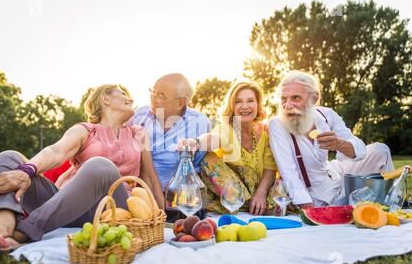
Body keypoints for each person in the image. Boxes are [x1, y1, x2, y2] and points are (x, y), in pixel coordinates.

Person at [0, 84, 164, 264]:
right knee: (7, 158)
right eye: (124, 94)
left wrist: (160, 215)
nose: (130, 99)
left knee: (101, 166)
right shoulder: (84, 130)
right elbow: (56, 151)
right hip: (65, 205)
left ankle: (21, 233)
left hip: (112, 208)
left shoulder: (139, 133)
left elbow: (149, 177)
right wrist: (26, 171)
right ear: (106, 98)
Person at [269, 70, 395, 208]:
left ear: (314, 98)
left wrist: (339, 144)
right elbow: (289, 173)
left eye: (296, 98)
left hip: (337, 174)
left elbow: (360, 150)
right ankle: (368, 203)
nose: (288, 105)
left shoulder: (326, 114)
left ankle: (391, 205)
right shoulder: (278, 125)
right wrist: (308, 208)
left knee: (380, 150)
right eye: (283, 99)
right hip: (318, 194)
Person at [178, 80, 278, 216]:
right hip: (233, 194)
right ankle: (240, 204)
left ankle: (245, 205)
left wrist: (261, 193)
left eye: (250, 101)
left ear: (258, 104)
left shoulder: (266, 132)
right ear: (232, 106)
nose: (245, 106)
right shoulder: (227, 129)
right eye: (238, 102)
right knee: (207, 158)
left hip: (261, 193)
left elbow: (270, 168)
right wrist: (196, 142)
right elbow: (214, 138)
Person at [128, 73, 211, 208]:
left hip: (183, 200)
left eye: (160, 95)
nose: (152, 99)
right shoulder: (138, 116)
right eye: (152, 92)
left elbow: (219, 142)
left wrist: (197, 143)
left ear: (180, 103)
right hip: (142, 197)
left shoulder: (199, 122)